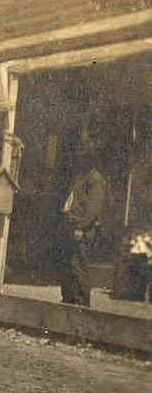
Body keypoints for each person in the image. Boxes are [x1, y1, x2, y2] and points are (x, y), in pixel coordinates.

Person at [60, 130, 107, 307]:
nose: (79, 160)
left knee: (78, 266)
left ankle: (80, 305)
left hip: (82, 230)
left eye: (83, 156)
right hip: (71, 225)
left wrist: (81, 227)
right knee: (68, 265)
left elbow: (93, 208)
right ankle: (68, 300)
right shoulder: (80, 178)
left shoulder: (95, 180)